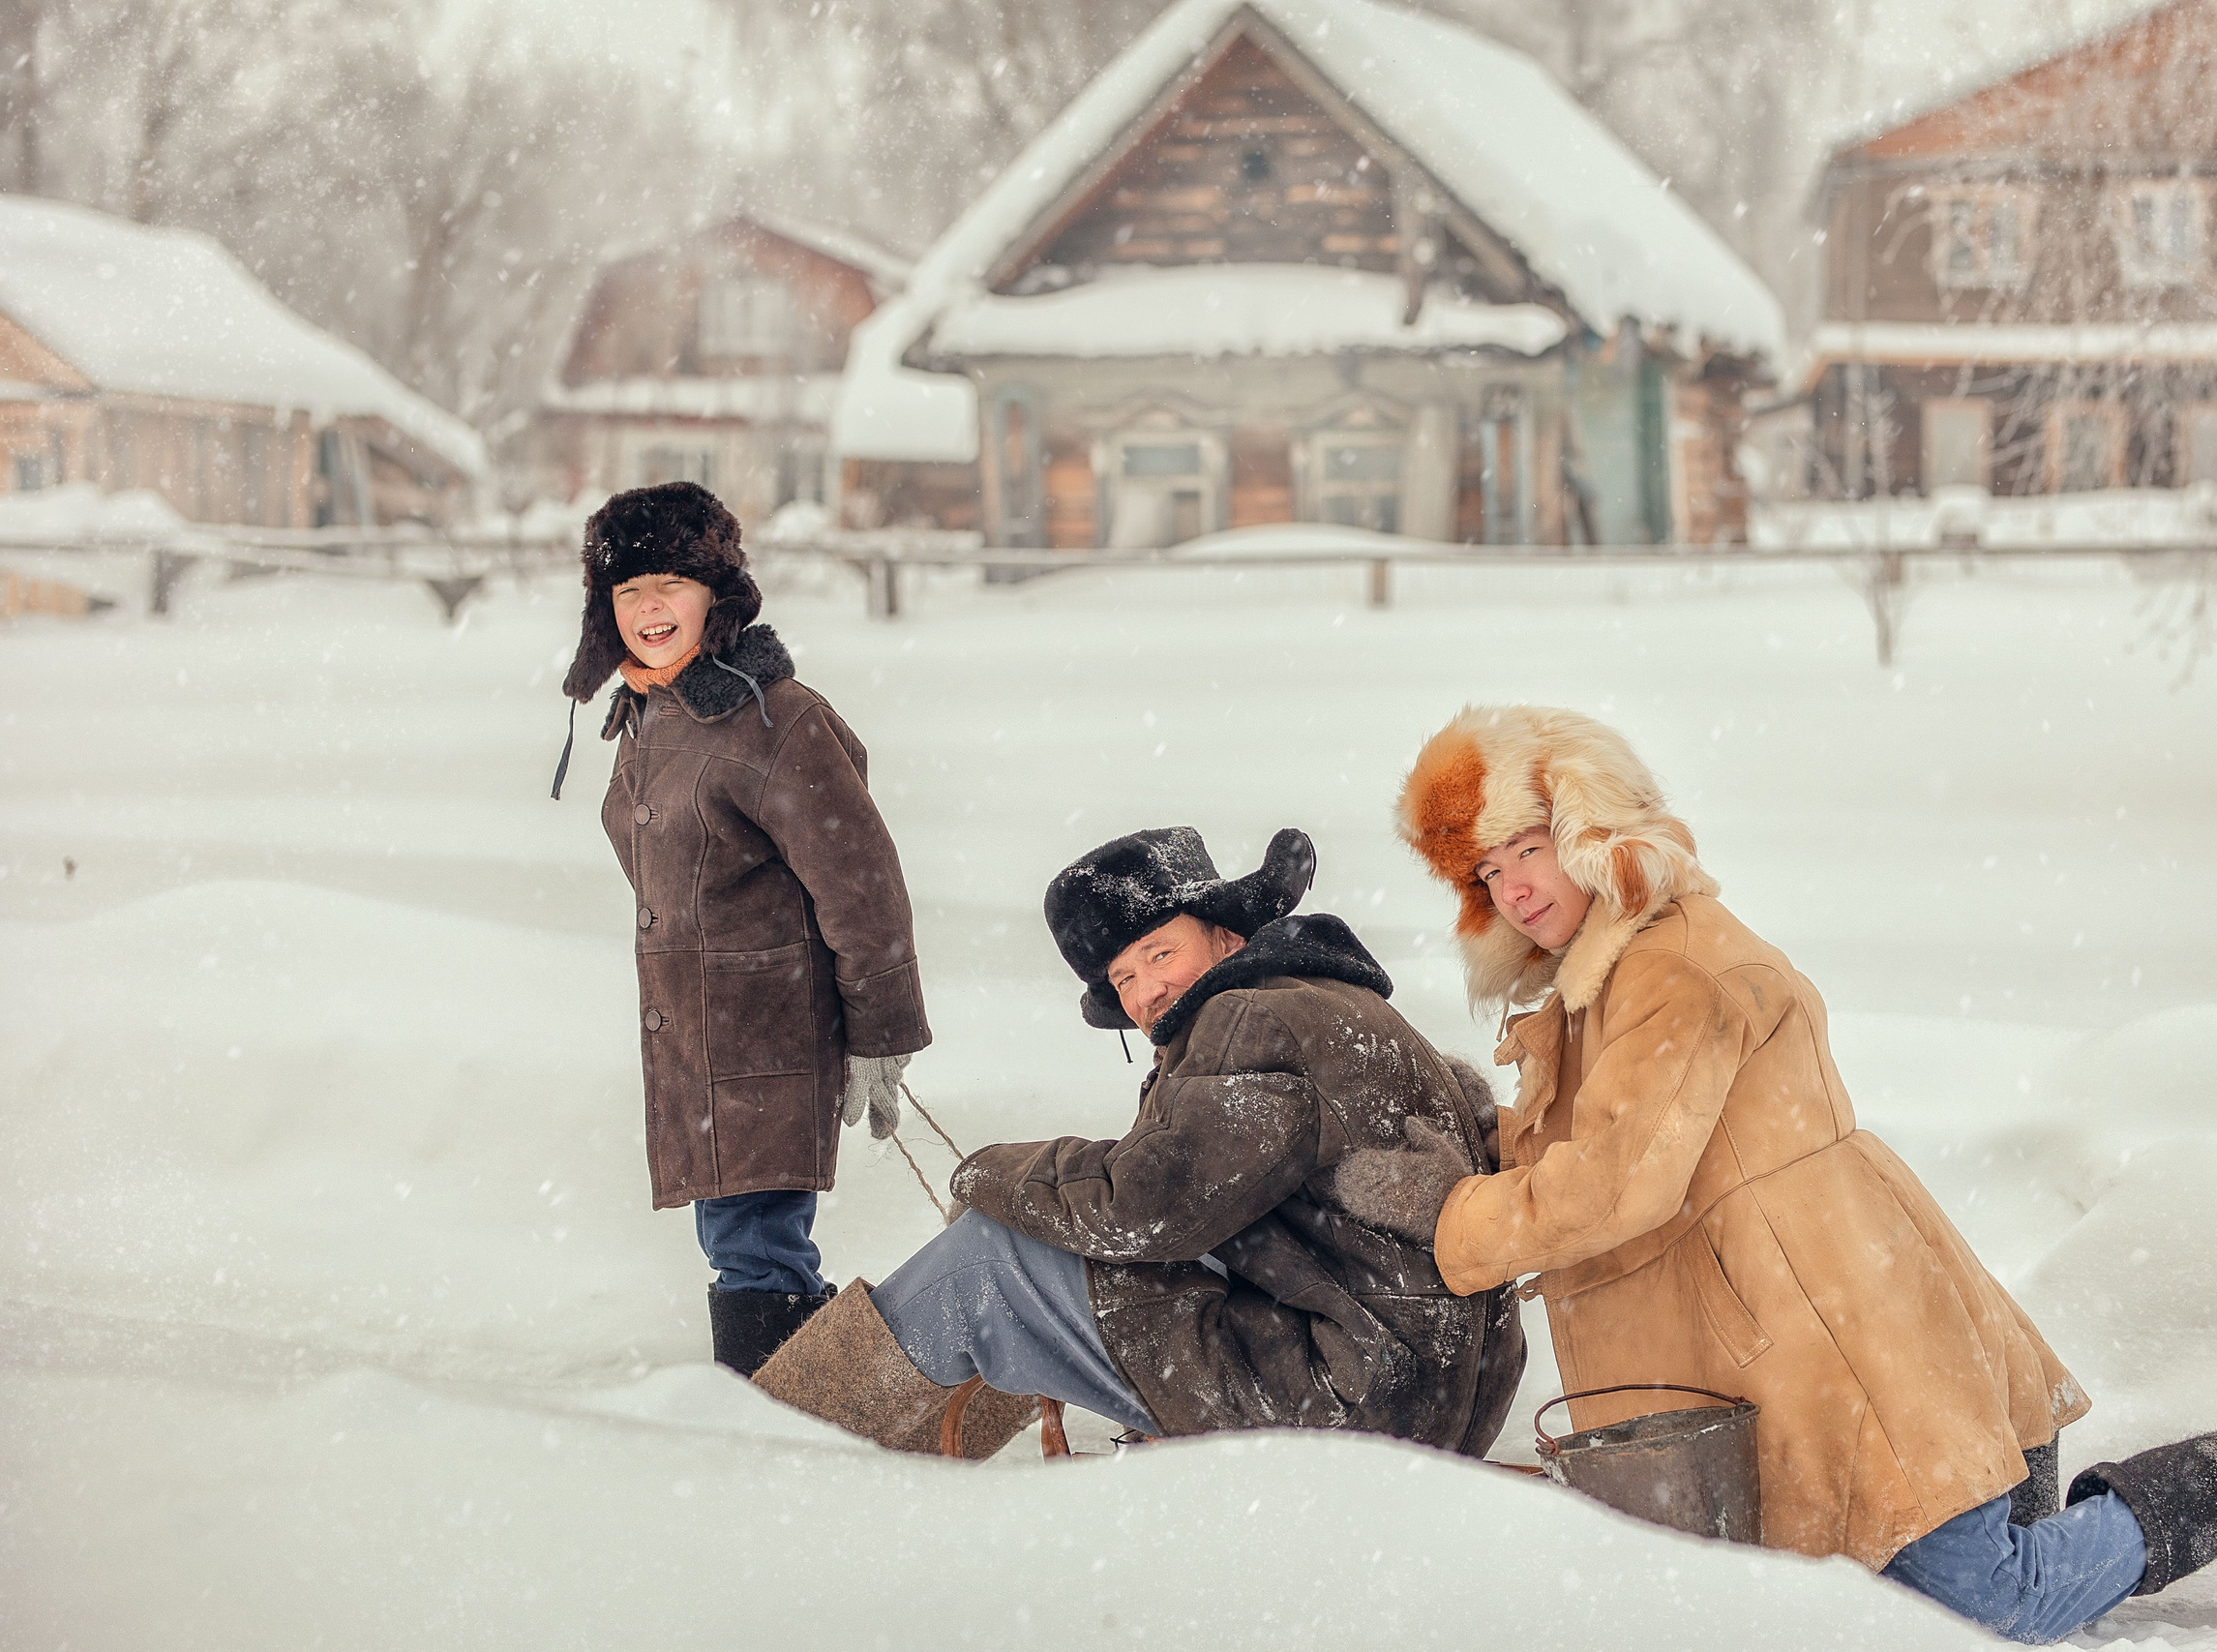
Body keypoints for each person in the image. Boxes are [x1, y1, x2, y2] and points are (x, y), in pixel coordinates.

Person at [1343, 705, 2217, 1644]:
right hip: (1783, 1350)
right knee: (1858, 1612)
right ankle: (2021, 1503)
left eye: (1528, 847)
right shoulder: (1593, 984)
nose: (1513, 888)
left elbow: (1616, 1182)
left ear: (1592, 827)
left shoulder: (1671, 967)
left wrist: (1452, 1220)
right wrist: (1482, 1135)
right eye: (1486, 872)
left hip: (1837, 1341)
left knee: (1987, 1607)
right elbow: (1581, 1152)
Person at [748, 826, 1526, 1461]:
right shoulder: (1315, 997)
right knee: (1051, 1246)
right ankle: (900, 1464)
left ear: (1226, 936)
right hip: (1428, 1391)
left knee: (989, 1257)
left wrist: (985, 1173)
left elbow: (1145, 1206)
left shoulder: (1248, 1023)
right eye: (1123, 977)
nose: (1146, 989)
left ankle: (785, 1455)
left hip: (1353, 1397)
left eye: (1160, 954)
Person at [555, 481, 931, 1377]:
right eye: (627, 590)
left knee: (752, 1242)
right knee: (740, 1237)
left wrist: (881, 1030)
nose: (649, 608)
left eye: (671, 584)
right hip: (698, 1038)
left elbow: (861, 881)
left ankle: (783, 1415)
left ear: (715, 596)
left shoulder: (771, 716)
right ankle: (804, 1398)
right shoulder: (649, 713)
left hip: (768, 1032)